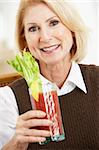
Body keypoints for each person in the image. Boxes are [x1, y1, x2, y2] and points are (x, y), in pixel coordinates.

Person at [0, 0, 99, 149]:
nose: (45, 37)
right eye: (33, 28)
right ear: (24, 39)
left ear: (71, 29)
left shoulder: (96, 80)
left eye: (53, 23)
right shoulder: (8, 100)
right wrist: (16, 144)